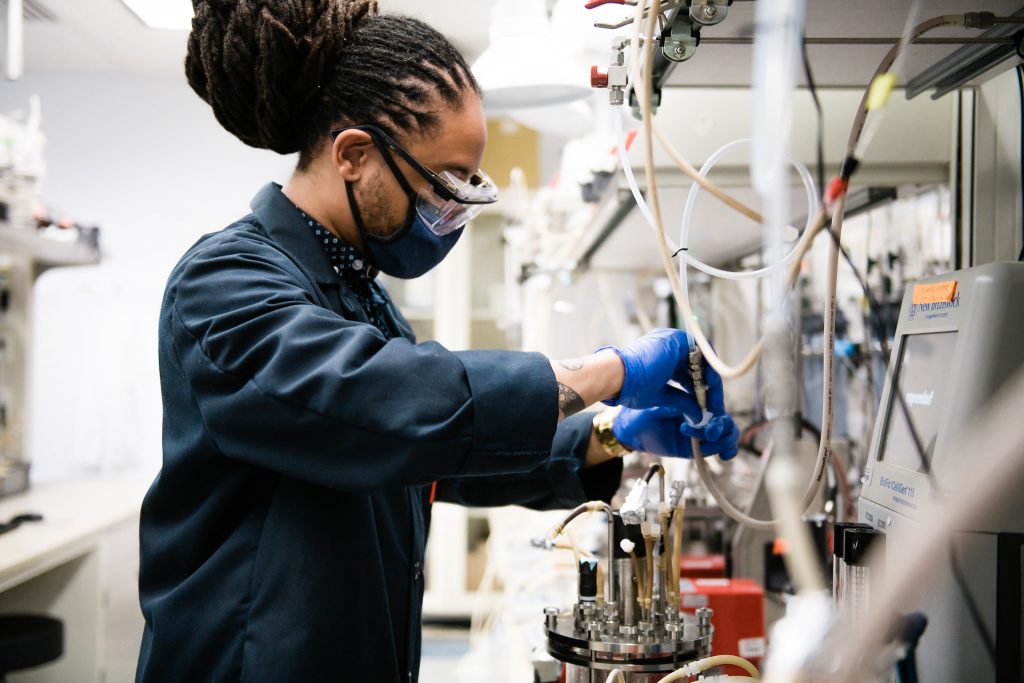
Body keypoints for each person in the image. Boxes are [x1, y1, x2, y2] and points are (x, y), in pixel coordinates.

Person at [135, 2, 739, 682]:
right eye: (443, 187)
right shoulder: (224, 283)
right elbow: (383, 405)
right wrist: (607, 371)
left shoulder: (359, 292)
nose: (450, 216)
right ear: (355, 155)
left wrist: (611, 434)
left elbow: (429, 456)